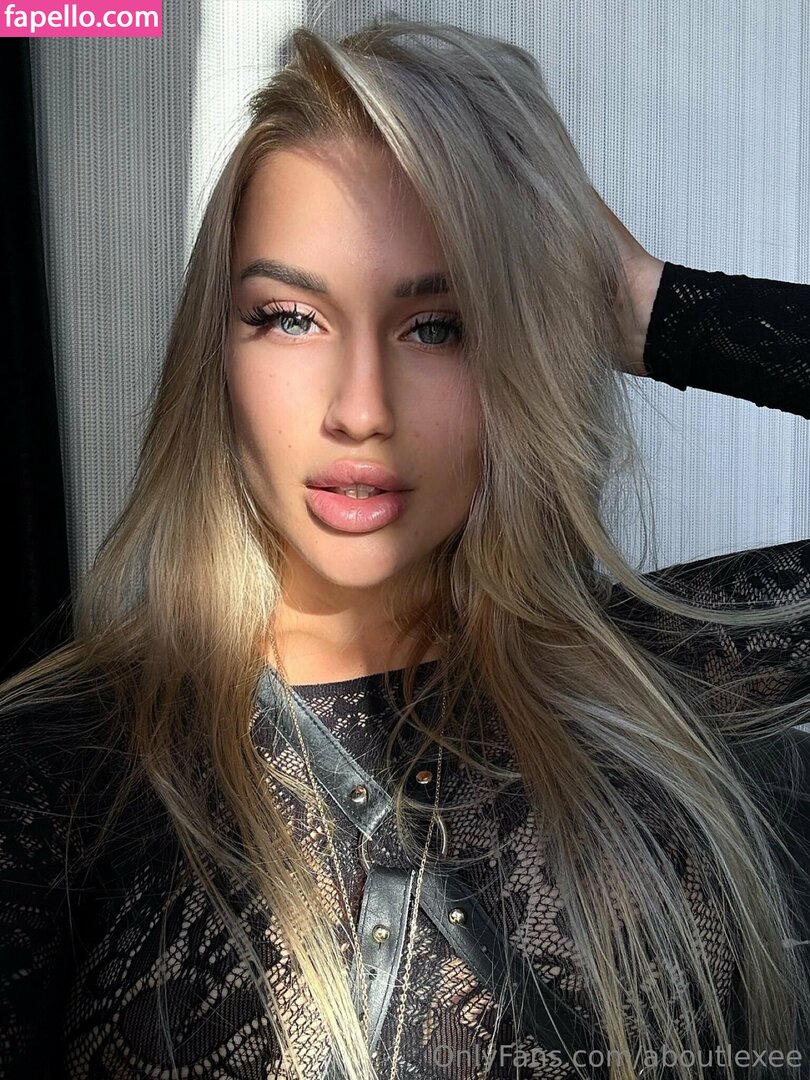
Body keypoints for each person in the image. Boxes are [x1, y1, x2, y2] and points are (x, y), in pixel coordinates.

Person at [1, 16, 809, 1080]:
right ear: (217, 351)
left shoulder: (668, 681)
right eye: (291, 317)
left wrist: (645, 306)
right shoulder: (57, 769)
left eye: (439, 326)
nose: (361, 409)